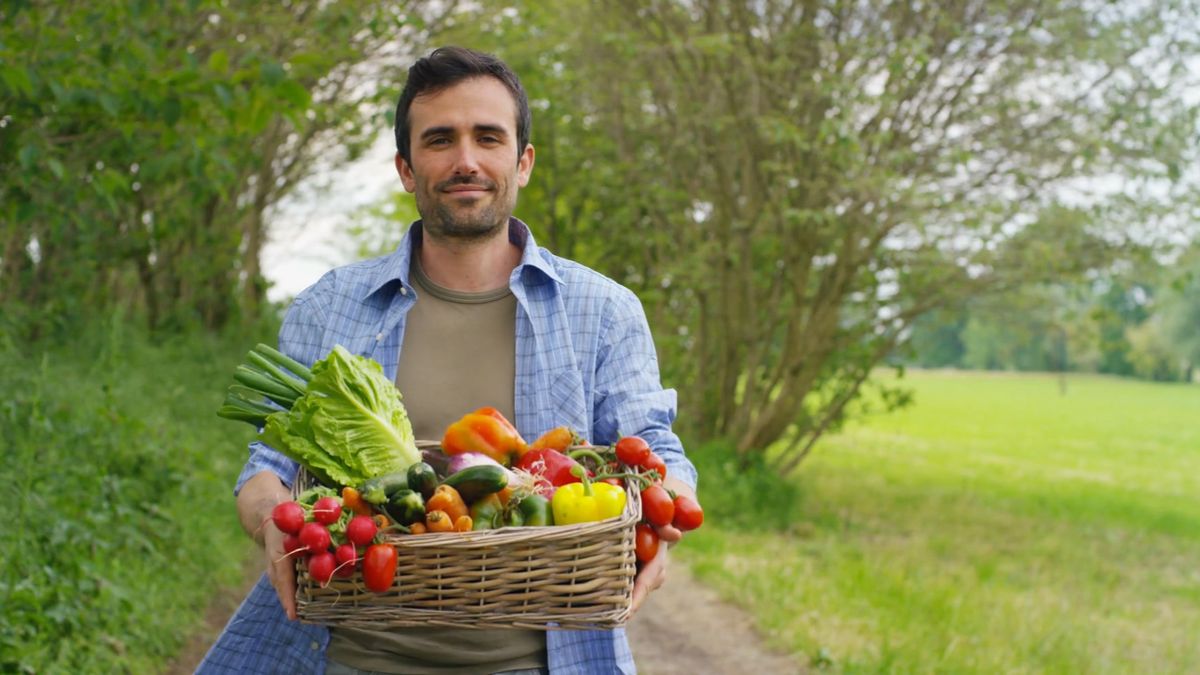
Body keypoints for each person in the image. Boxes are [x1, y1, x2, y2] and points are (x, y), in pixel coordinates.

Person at [198, 46, 698, 675]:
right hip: (347, 657)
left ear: (523, 162)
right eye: (440, 140)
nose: (466, 161)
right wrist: (274, 519)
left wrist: (664, 516)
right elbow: (267, 467)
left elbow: (654, 448)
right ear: (407, 169)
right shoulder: (329, 307)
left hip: (546, 660)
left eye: (488, 137)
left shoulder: (604, 310)